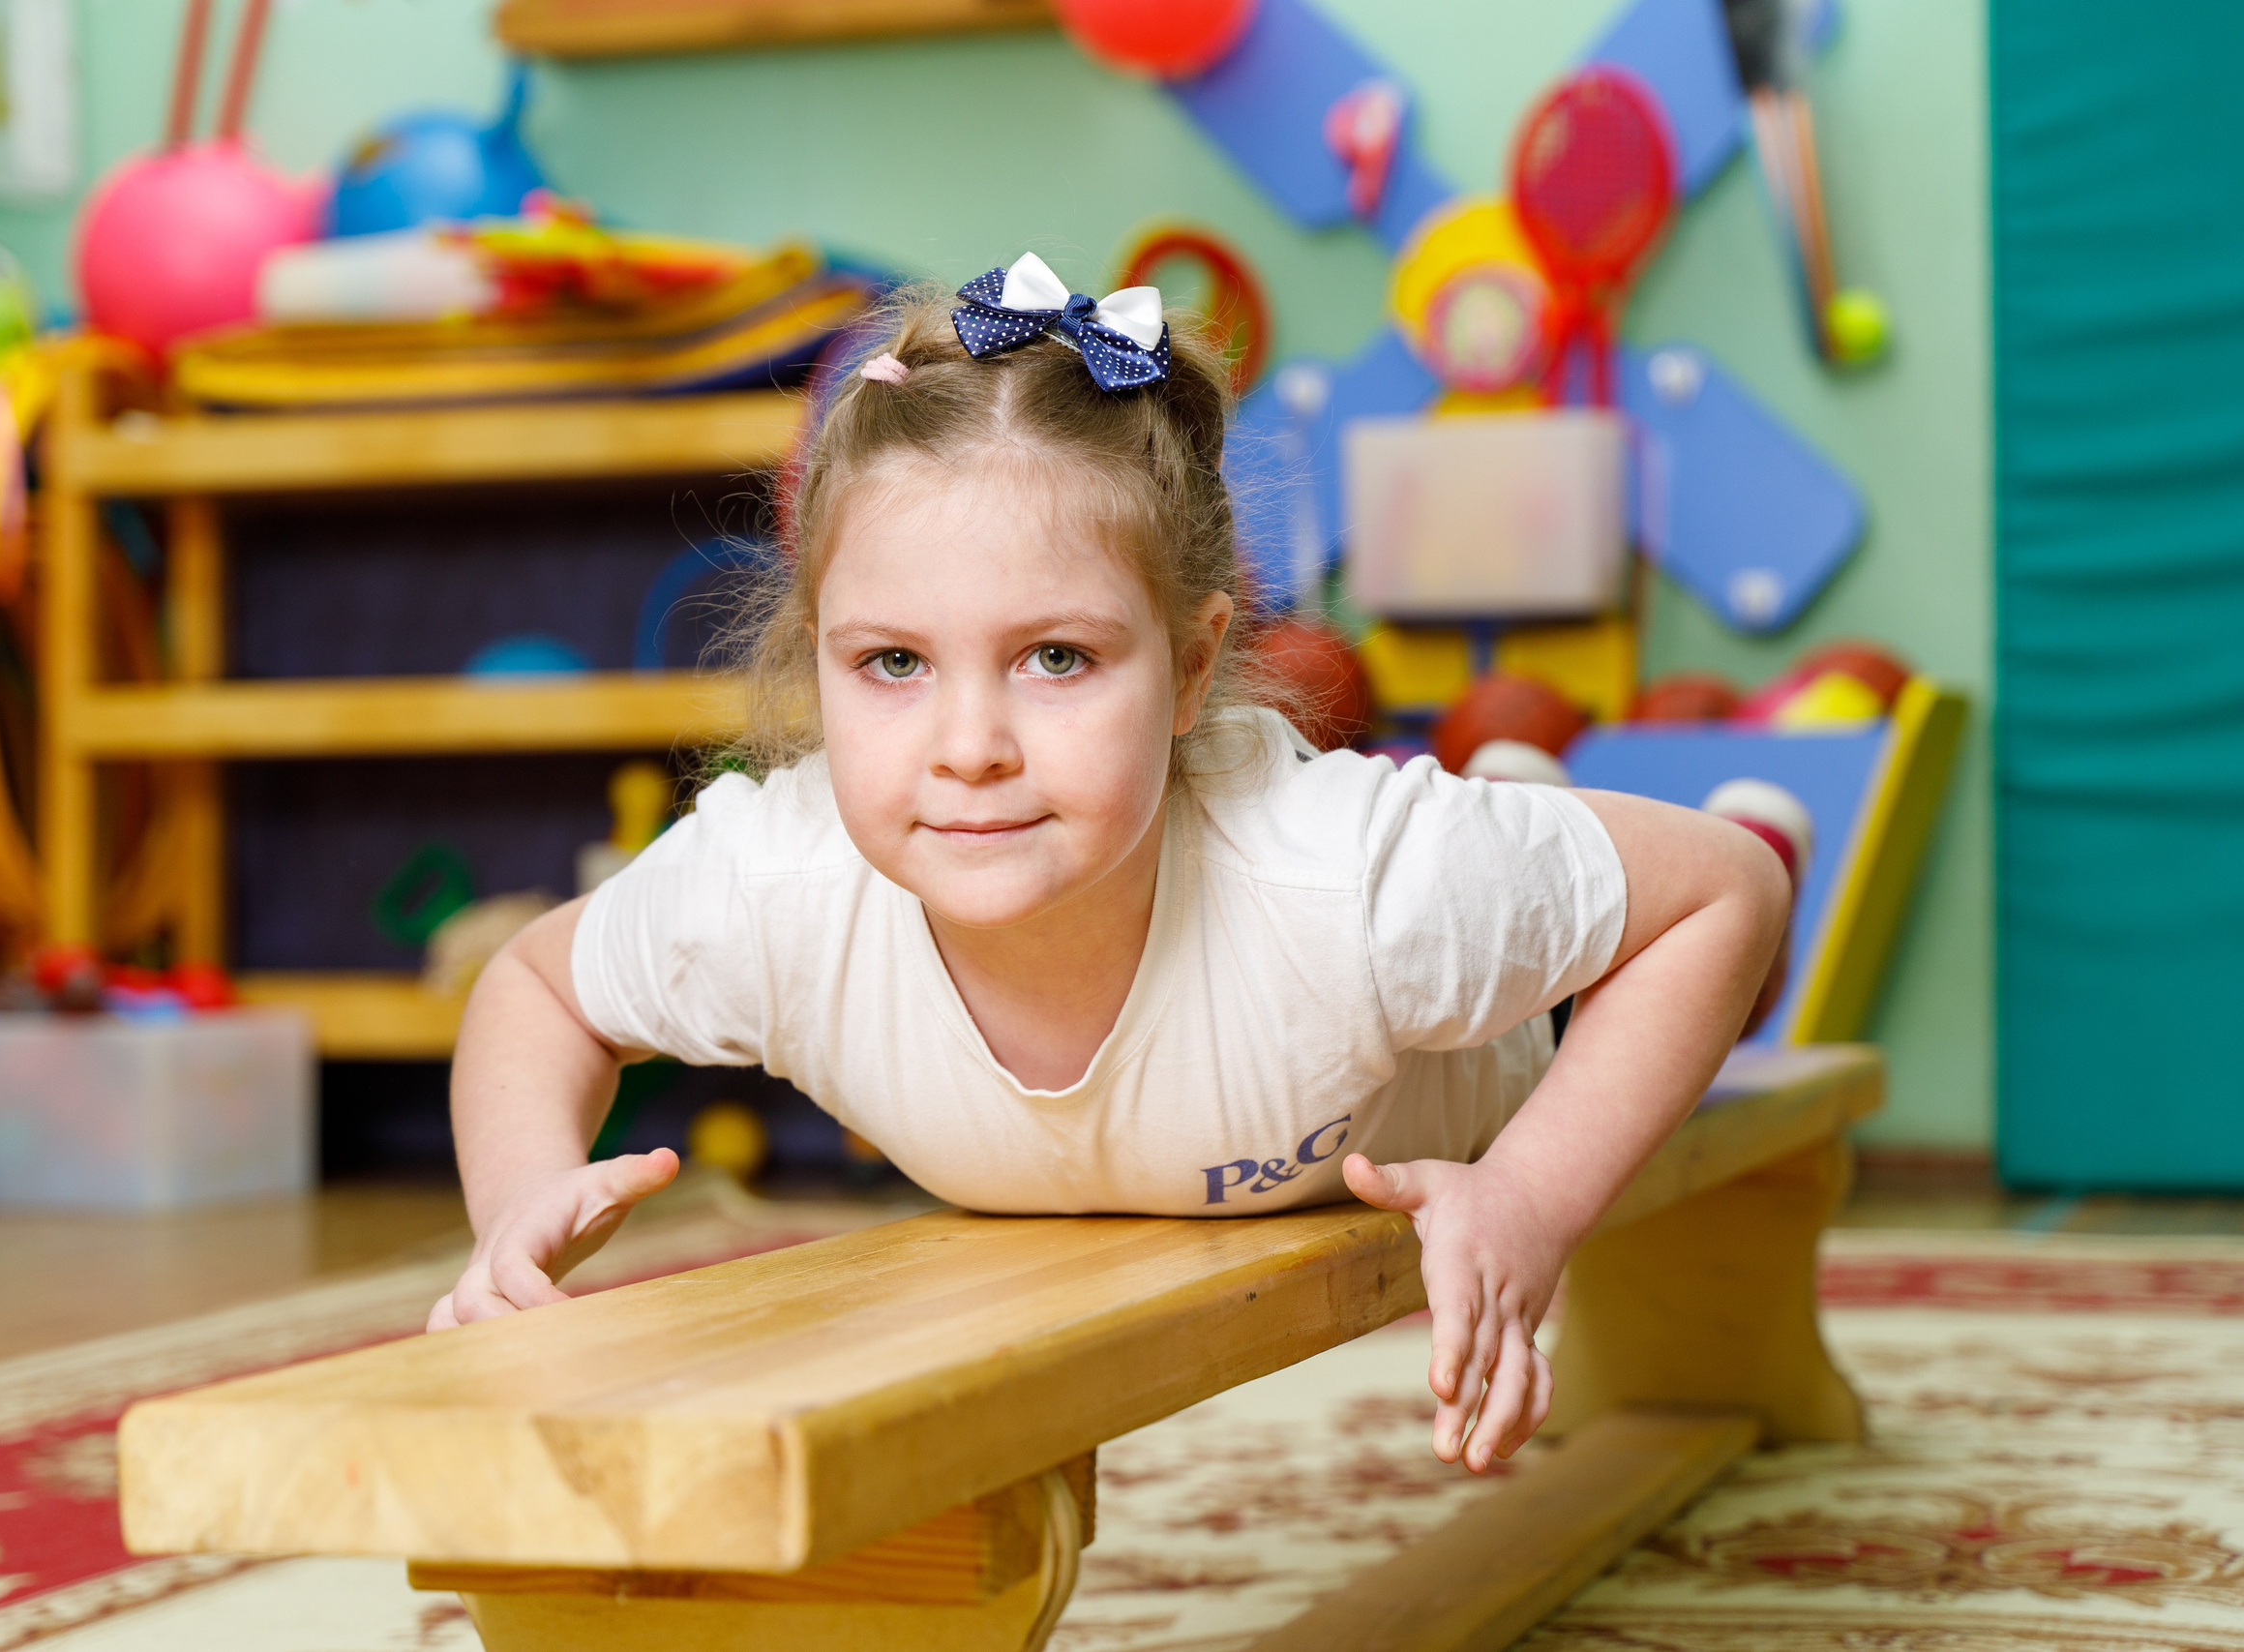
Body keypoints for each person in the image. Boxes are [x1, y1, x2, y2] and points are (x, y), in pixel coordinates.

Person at [427, 254, 1794, 1476]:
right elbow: (534, 989)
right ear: (821, 661)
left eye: (1055, 658)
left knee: (1706, 950)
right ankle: (1519, 783)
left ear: (1194, 668)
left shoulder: (1358, 885)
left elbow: (1724, 892)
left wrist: (1532, 1199)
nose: (971, 748)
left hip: (1515, 1018)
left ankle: (1560, 791)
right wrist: (519, 1200)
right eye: (893, 663)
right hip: (1411, 936)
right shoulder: (779, 880)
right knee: (1517, 827)